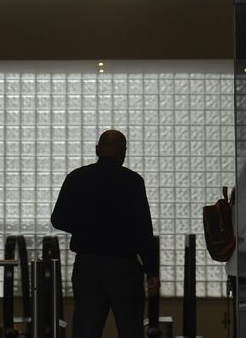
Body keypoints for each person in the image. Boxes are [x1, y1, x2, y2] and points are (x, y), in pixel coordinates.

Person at [51, 130, 159, 338]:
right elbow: (143, 230)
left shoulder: (77, 178)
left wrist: (86, 228)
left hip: (87, 266)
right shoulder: (132, 182)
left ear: (97, 150)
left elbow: (58, 219)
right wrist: (151, 271)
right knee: (130, 328)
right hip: (124, 268)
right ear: (123, 153)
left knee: (86, 329)